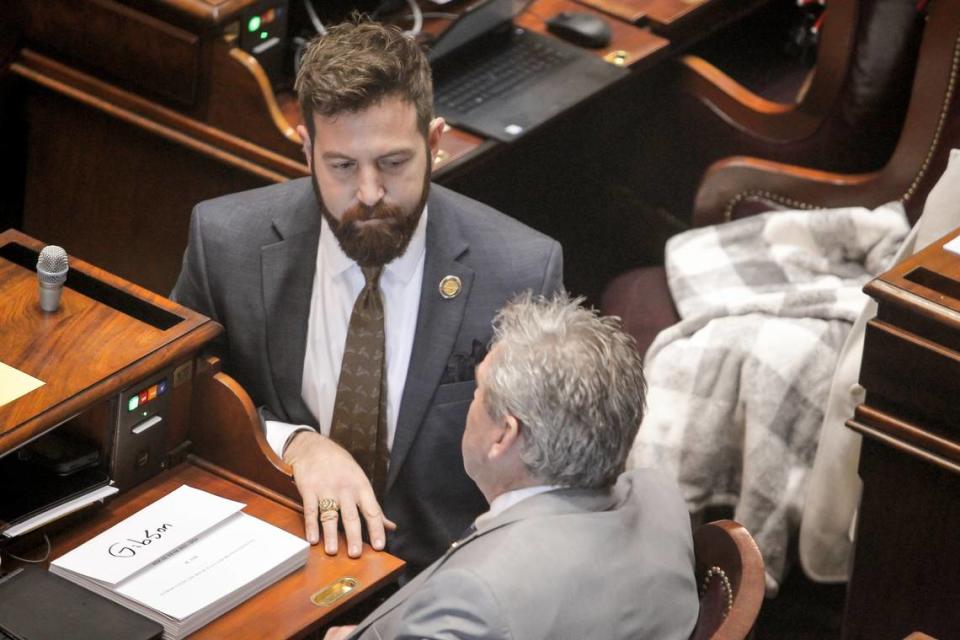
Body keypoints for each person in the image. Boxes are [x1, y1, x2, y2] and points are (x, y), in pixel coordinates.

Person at [171, 20, 563, 574]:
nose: (370, 193)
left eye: (393, 163)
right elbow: (184, 397)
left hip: (439, 586)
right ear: (307, 149)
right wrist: (295, 444)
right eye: (342, 167)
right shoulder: (227, 241)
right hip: (275, 560)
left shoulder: (521, 271)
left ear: (433, 143)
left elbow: (545, 486)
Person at [324, 293, 699, 640]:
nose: (469, 406)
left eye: (477, 392)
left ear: (504, 435)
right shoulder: (659, 497)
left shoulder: (472, 600)